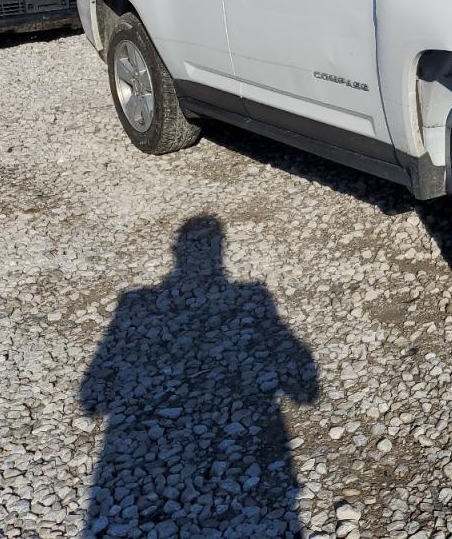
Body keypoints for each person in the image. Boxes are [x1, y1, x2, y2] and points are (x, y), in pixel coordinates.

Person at [80, 216, 318, 536]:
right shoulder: (253, 296)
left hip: (144, 454)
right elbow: (304, 389)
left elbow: (93, 399)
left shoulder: (134, 303)